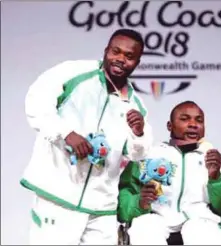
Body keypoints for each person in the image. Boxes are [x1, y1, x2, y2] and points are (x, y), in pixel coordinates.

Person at [21, 29, 153, 245]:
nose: (120, 59)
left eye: (129, 56)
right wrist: (66, 134)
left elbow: (139, 153)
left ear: (137, 61)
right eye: (115, 51)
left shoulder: (135, 105)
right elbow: (36, 102)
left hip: (102, 208)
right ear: (106, 51)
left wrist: (138, 133)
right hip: (58, 197)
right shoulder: (75, 73)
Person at [118, 101, 221, 245]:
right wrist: (140, 202)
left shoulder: (215, 160)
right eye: (185, 119)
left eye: (199, 120)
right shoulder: (147, 155)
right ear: (170, 126)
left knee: (201, 230)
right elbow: (122, 207)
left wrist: (216, 178)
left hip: (201, 220)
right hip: (155, 217)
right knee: (145, 228)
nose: (193, 124)